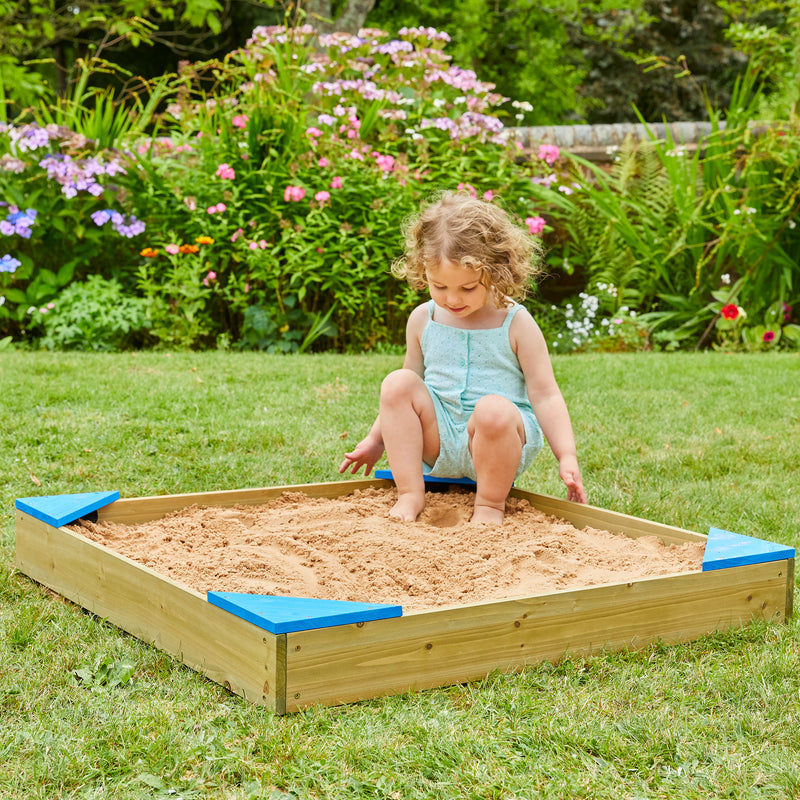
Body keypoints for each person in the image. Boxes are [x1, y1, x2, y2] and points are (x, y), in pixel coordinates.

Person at [339, 190, 587, 524]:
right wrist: (374, 440)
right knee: (398, 382)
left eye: (467, 288)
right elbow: (404, 393)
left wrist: (566, 455)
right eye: (438, 286)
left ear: (497, 272)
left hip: (497, 438)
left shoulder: (516, 323)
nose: (451, 299)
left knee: (493, 409)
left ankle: (488, 506)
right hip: (438, 437)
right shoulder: (423, 320)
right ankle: (411, 495)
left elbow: (545, 393)